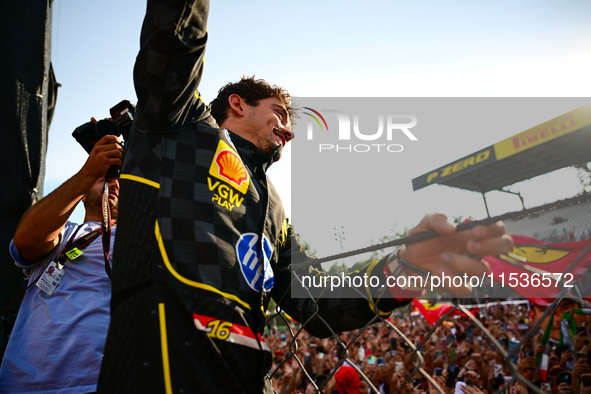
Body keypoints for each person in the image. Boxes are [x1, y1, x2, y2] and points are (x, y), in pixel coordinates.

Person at [97, 1, 513, 393]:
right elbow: (171, 43)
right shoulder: (179, 127)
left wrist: (400, 270)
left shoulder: (275, 208)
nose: (289, 129)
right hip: (159, 364)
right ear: (237, 104)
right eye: (278, 113)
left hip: (245, 376)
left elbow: (318, 303)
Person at [0, 135, 122, 393]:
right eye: (106, 178)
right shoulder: (63, 232)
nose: (114, 183)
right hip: (28, 386)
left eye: (122, 181)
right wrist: (89, 172)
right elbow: (27, 241)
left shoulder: (145, 238)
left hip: (108, 382)